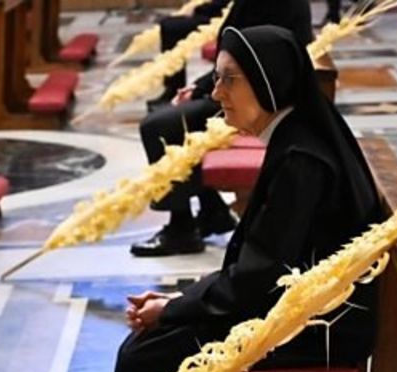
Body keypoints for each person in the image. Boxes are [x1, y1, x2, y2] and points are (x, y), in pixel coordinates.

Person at [95, 25, 382, 372]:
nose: (218, 92)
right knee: (159, 348)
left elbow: (256, 277)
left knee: (149, 355)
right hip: (302, 312)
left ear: (270, 84)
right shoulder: (295, 138)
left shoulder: (302, 158)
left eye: (228, 80)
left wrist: (173, 308)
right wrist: (181, 301)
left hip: (320, 331)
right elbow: (258, 270)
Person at [130, 0, 314, 257]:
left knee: (159, 127)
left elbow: (250, 56)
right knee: (171, 122)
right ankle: (212, 210)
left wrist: (205, 88)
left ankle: (181, 229)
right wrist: (200, 87)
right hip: (245, 88)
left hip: (260, 99)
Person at [146, 0, 231, 112]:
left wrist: (198, 10)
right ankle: (172, 88)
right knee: (169, 25)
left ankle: (176, 91)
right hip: (222, 12)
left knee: (172, 28)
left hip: (227, 17)